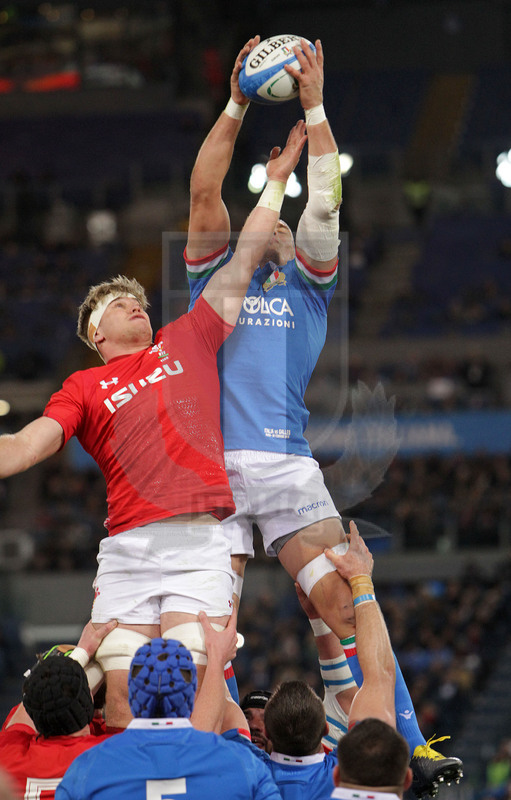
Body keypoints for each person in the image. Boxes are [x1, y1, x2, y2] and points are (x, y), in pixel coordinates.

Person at [185, 34, 462, 794]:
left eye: (281, 219)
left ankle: (408, 746)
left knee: (343, 599)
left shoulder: (310, 285)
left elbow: (327, 196)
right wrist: (238, 101)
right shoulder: (214, 273)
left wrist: (313, 103)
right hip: (210, 468)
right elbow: (205, 193)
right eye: (263, 218)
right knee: (205, 626)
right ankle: (203, 760)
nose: (272, 223)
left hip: (280, 463)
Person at [0, 120, 307, 730]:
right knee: (120, 704)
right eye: (120, 304)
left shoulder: (187, 335)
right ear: (97, 334)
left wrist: (274, 185)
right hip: (128, 550)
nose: (135, 304)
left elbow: (245, 258)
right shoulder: (83, 387)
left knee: (196, 688)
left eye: (137, 300)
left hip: (198, 541)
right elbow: (26, 445)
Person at [55, 636, 282, 800]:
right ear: (191, 697)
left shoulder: (87, 768)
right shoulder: (243, 765)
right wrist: (216, 661)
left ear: (132, 698)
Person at [0, 620, 117, 800]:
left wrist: (81, 653)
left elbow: (33, 700)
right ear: (88, 700)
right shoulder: (110, 755)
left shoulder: (8, 756)